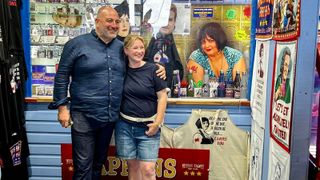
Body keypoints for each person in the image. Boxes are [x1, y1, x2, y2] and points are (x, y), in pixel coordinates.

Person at [48, 6, 165, 180]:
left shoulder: (121, 47)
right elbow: (62, 76)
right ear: (97, 22)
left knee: (98, 164)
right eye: (109, 21)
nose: (114, 25)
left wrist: (158, 68)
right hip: (83, 116)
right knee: (83, 166)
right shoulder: (76, 44)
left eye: (117, 21)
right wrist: (62, 108)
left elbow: (137, 62)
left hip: (110, 117)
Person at [115, 35, 167, 180]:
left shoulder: (154, 69)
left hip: (149, 127)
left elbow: (162, 97)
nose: (139, 51)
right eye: (135, 48)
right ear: (126, 50)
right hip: (124, 126)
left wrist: (157, 123)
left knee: (148, 170)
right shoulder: (120, 71)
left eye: (141, 47)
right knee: (133, 167)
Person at [144, 4, 184, 90]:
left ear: (174, 22)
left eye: (169, 19)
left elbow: (179, 73)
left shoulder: (179, 45)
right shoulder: (145, 44)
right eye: (163, 19)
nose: (166, 23)